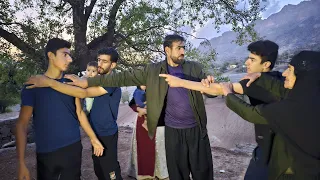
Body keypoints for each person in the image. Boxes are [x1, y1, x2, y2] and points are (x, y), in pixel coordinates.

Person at [26, 34, 215, 179]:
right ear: (167, 50)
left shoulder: (194, 68)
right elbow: (123, 77)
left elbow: (210, 90)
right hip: (173, 131)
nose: (183, 51)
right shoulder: (153, 71)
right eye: (179, 48)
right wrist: (87, 82)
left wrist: (208, 83)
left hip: (196, 130)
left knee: (202, 172)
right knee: (177, 174)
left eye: (184, 48)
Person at [160, 40, 285, 179]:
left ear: (266, 64)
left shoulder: (254, 83)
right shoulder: (279, 79)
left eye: (252, 59)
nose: (247, 63)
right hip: (279, 144)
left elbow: (218, 89)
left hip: (273, 150)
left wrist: (180, 82)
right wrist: (261, 74)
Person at [24, 47, 123, 180]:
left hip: (107, 133)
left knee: (110, 170)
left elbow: (84, 93)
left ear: (113, 65)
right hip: (95, 131)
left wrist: (49, 82)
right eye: (99, 60)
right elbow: (82, 84)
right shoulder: (98, 79)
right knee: (99, 169)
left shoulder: (113, 80)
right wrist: (76, 80)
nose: (99, 64)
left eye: (104, 61)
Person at [220, 50, 320, 179]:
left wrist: (228, 93)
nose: (284, 73)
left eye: (290, 69)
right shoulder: (311, 96)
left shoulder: (291, 108)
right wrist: (260, 76)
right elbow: (281, 89)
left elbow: (250, 113)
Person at [16, 38, 104, 180]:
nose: (69, 59)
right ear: (51, 55)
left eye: (70, 55)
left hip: (73, 147)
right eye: (65, 54)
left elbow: (80, 113)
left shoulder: (71, 82)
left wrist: (93, 139)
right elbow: (22, 124)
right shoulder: (33, 85)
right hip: (46, 152)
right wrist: (21, 162)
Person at [128, 86, 169, 179]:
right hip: (143, 123)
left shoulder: (165, 86)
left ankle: (161, 172)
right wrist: (140, 109)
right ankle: (145, 175)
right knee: (144, 149)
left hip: (161, 124)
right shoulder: (141, 89)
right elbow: (132, 103)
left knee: (160, 149)